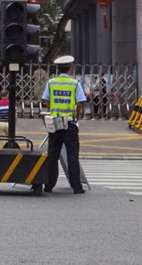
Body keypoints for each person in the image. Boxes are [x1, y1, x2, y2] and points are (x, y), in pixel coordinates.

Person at [42, 55, 88, 194]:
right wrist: (77, 117)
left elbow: (46, 100)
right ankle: (76, 187)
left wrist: (51, 112)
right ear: (70, 68)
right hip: (70, 123)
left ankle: (49, 185)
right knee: (72, 156)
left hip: (54, 124)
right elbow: (80, 102)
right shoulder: (74, 83)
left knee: (52, 155)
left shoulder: (51, 83)